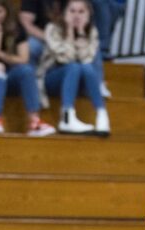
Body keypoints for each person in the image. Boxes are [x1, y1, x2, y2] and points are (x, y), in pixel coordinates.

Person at [0, 0, 56, 136]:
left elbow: (23, 58)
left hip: (6, 74)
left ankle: (34, 121)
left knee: (26, 70)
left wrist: (3, 55)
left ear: (7, 13)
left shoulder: (17, 29)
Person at [40, 0, 110, 135]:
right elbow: (66, 58)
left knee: (87, 68)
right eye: (72, 11)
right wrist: (70, 33)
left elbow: (87, 60)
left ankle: (102, 114)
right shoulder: (52, 28)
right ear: (64, 13)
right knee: (74, 67)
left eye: (81, 12)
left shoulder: (92, 32)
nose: (76, 16)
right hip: (52, 79)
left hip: (78, 81)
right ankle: (67, 117)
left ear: (89, 14)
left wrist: (82, 33)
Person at [20, 0, 112, 98]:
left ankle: (98, 83)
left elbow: (85, 19)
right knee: (31, 45)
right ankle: (31, 86)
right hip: (43, 37)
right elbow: (26, 24)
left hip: (70, 35)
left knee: (91, 45)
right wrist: (50, 38)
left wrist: (76, 35)